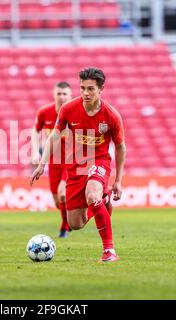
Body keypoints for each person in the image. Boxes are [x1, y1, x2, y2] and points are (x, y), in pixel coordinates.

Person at [30, 67, 126, 262]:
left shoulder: (112, 116)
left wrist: (118, 180)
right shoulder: (68, 109)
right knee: (76, 223)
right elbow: (54, 136)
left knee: (91, 194)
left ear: (101, 89)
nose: (85, 93)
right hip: (75, 165)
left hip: (99, 161)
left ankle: (109, 251)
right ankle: (103, 198)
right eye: (82, 88)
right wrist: (42, 163)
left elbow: (120, 148)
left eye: (90, 89)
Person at [31, 82, 72, 238]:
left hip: (71, 161)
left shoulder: (76, 112)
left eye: (65, 94)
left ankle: (64, 228)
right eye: (59, 94)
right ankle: (69, 220)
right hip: (54, 163)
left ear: (70, 95)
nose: (62, 97)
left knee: (62, 194)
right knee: (57, 201)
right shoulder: (44, 112)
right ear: (54, 95)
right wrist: (36, 152)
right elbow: (35, 131)